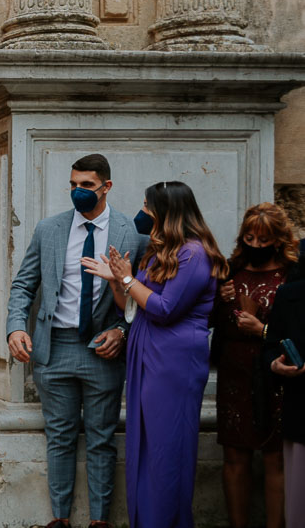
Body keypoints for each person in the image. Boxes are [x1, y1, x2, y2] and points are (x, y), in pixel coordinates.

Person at [5, 153, 148, 528]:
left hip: (102, 350)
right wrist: (16, 327)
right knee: (59, 437)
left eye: (86, 185)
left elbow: (143, 298)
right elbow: (24, 285)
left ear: (106, 186)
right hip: (53, 349)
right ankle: (60, 519)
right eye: (73, 185)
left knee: (102, 439)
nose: (78, 192)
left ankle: (100, 521)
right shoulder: (49, 229)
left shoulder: (130, 233)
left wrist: (123, 332)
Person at [83, 180, 228, 528]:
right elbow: (130, 308)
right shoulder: (159, 249)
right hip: (147, 353)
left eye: (148, 206)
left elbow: (165, 308)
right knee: (144, 446)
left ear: (167, 211)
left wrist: (130, 279)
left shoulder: (194, 253)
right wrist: (117, 281)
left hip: (174, 360)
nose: (143, 212)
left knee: (167, 449)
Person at [211, 202, 296, 528]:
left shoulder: (293, 273)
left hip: (277, 375)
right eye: (250, 238)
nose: (256, 246)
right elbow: (207, 322)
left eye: (264, 240)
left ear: (278, 239)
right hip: (235, 374)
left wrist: (261, 330)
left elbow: (298, 327)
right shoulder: (230, 269)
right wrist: (220, 300)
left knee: (276, 458)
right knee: (234, 457)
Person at [264, 252, 305, 528]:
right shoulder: (289, 295)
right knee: (299, 506)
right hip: (302, 411)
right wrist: (275, 365)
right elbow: (270, 345)